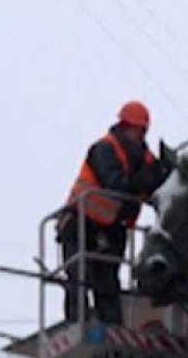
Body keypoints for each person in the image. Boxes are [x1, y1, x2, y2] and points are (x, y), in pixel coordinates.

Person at [59, 100, 166, 325]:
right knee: (79, 277)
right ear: (125, 126)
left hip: (113, 228)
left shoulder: (145, 159)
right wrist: (143, 179)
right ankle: (77, 323)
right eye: (138, 130)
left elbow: (156, 189)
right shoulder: (104, 149)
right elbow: (114, 184)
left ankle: (112, 327)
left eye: (143, 131)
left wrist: (161, 173)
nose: (141, 135)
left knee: (107, 282)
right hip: (81, 223)